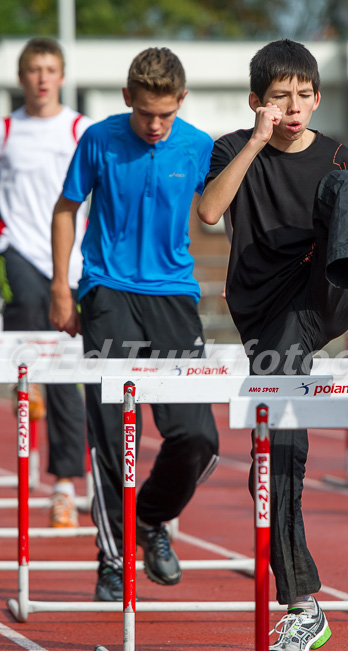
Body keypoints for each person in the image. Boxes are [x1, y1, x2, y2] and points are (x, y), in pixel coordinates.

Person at [197, 39, 348, 651]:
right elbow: (211, 212)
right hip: (265, 314)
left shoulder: (333, 152)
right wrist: (254, 140)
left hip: (326, 289)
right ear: (258, 102)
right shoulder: (231, 148)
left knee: (341, 186)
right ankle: (301, 590)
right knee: (274, 457)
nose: (292, 108)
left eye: (303, 97)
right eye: (279, 98)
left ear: (318, 98)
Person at [49, 47, 219, 602]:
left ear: (182, 103)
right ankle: (113, 556)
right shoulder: (99, 137)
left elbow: (226, 213)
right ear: (128, 99)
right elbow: (66, 208)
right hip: (107, 293)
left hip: (174, 297)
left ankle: (149, 520)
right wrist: (60, 285)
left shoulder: (197, 145)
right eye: (146, 113)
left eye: (166, 114)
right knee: (112, 436)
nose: (155, 125)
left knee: (199, 437)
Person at [0, 37, 90, 528]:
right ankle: (24, 380)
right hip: (17, 251)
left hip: (71, 261)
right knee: (28, 320)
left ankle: (63, 485)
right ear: (22, 77)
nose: (41, 77)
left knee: (63, 371)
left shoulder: (80, 129)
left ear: (60, 75)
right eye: (33, 69)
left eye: (49, 68)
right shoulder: (6, 129)